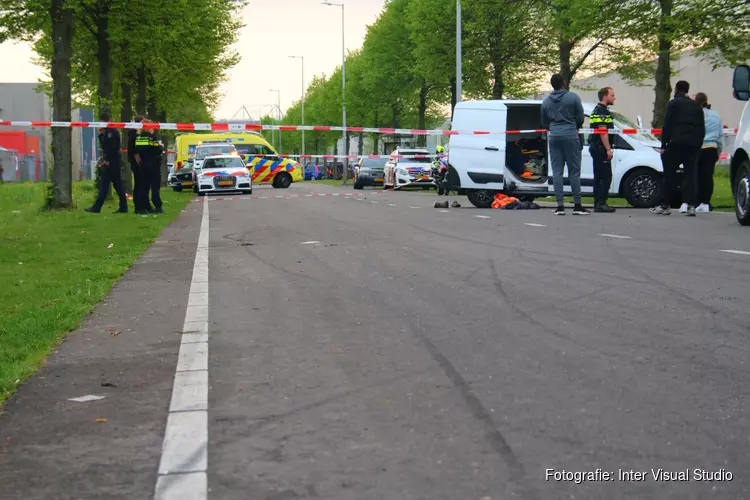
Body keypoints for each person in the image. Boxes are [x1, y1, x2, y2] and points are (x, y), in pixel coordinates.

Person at [651, 80, 704, 216]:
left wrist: (664, 144)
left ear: (676, 89)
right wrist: (698, 144)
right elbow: (702, 127)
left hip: (676, 143)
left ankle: (665, 204)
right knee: (691, 175)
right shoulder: (696, 106)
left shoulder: (673, 104)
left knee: (669, 175)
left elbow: (667, 125)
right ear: (687, 90)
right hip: (692, 145)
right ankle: (692, 205)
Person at [541, 73, 590, 215]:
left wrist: (553, 127)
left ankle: (560, 206)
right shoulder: (573, 97)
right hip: (570, 134)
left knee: (557, 171)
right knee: (574, 171)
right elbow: (580, 118)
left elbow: (544, 123)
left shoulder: (546, 102)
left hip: (554, 136)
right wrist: (574, 125)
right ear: (563, 82)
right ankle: (577, 205)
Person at [86, 112, 128, 213]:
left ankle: (97, 208)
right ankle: (123, 207)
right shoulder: (109, 131)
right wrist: (100, 135)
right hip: (113, 161)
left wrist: (107, 160)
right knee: (117, 185)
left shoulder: (111, 132)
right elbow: (105, 146)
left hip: (111, 162)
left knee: (105, 185)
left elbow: (111, 148)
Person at [692, 92, 722, 213]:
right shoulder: (715, 115)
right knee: (707, 176)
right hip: (712, 148)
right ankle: (706, 201)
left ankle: (697, 201)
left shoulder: (695, 114)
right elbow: (720, 134)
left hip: (699, 147)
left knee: (696, 175)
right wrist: (719, 150)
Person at [588, 87, 617, 213]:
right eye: (612, 95)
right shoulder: (602, 111)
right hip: (600, 147)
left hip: (596, 147)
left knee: (598, 176)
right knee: (606, 176)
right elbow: (603, 132)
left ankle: (598, 203)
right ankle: (601, 203)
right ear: (605, 96)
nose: (614, 97)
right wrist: (608, 149)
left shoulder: (597, 110)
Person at [135, 119, 165, 214]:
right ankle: (158, 207)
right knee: (155, 187)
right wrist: (161, 145)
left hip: (143, 165)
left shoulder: (139, 138)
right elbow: (159, 149)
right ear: (148, 127)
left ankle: (142, 208)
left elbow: (138, 150)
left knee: (144, 187)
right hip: (153, 164)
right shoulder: (151, 137)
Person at [128, 115, 153, 213]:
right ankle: (140, 206)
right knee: (140, 184)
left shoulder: (133, 134)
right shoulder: (135, 135)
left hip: (137, 162)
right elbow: (135, 151)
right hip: (138, 163)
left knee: (142, 184)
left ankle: (144, 205)